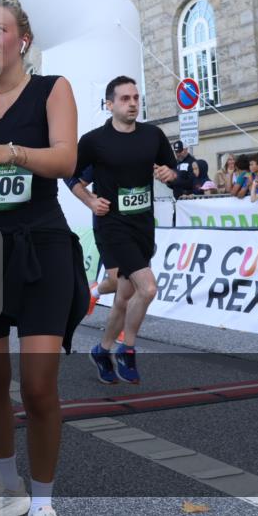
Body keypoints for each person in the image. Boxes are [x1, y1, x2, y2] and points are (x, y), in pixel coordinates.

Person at [0, 0, 86, 516]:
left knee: (37, 384)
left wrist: (11, 152)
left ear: (21, 39)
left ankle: (44, 502)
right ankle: (7, 489)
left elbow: (66, 157)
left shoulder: (53, 89)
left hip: (41, 244)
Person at [80, 75, 178, 389]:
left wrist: (168, 173)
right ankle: (128, 348)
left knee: (124, 295)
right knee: (147, 289)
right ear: (109, 105)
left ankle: (102, 349)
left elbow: (171, 169)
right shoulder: (94, 141)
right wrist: (91, 201)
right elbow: (71, 179)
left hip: (142, 224)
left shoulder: (152, 135)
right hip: (112, 224)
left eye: (136, 97)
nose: (133, 103)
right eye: (124, 98)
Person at [66, 166, 118, 303]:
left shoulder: (146, 146)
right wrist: (90, 200)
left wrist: (171, 174)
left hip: (139, 222)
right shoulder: (100, 147)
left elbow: (172, 172)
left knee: (139, 285)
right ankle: (93, 293)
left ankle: (93, 293)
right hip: (109, 221)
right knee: (119, 280)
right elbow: (69, 176)